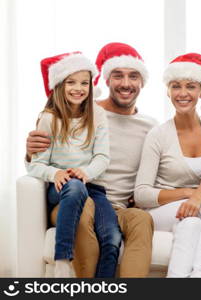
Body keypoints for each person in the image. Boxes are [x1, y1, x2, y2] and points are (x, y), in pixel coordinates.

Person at [25, 42, 157, 277]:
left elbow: (160, 170)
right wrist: (31, 153)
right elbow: (41, 157)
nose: (126, 83)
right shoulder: (84, 110)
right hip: (74, 198)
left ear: (142, 82)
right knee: (83, 202)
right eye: (118, 75)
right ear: (105, 80)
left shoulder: (151, 127)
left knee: (141, 219)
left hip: (114, 204)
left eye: (133, 76)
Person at [134, 53, 201, 278]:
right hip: (159, 211)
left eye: (191, 86)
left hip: (193, 211)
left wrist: (196, 199)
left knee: (191, 225)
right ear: (168, 91)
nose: (183, 93)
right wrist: (190, 194)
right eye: (176, 86)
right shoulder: (157, 134)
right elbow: (141, 194)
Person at [27, 52, 121, 278]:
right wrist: (57, 172)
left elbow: (102, 157)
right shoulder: (49, 118)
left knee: (112, 238)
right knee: (75, 186)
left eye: (84, 83)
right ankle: (62, 259)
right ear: (59, 85)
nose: (78, 88)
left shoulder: (97, 114)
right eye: (71, 82)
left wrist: (85, 172)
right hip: (60, 189)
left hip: (92, 187)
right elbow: (36, 166)